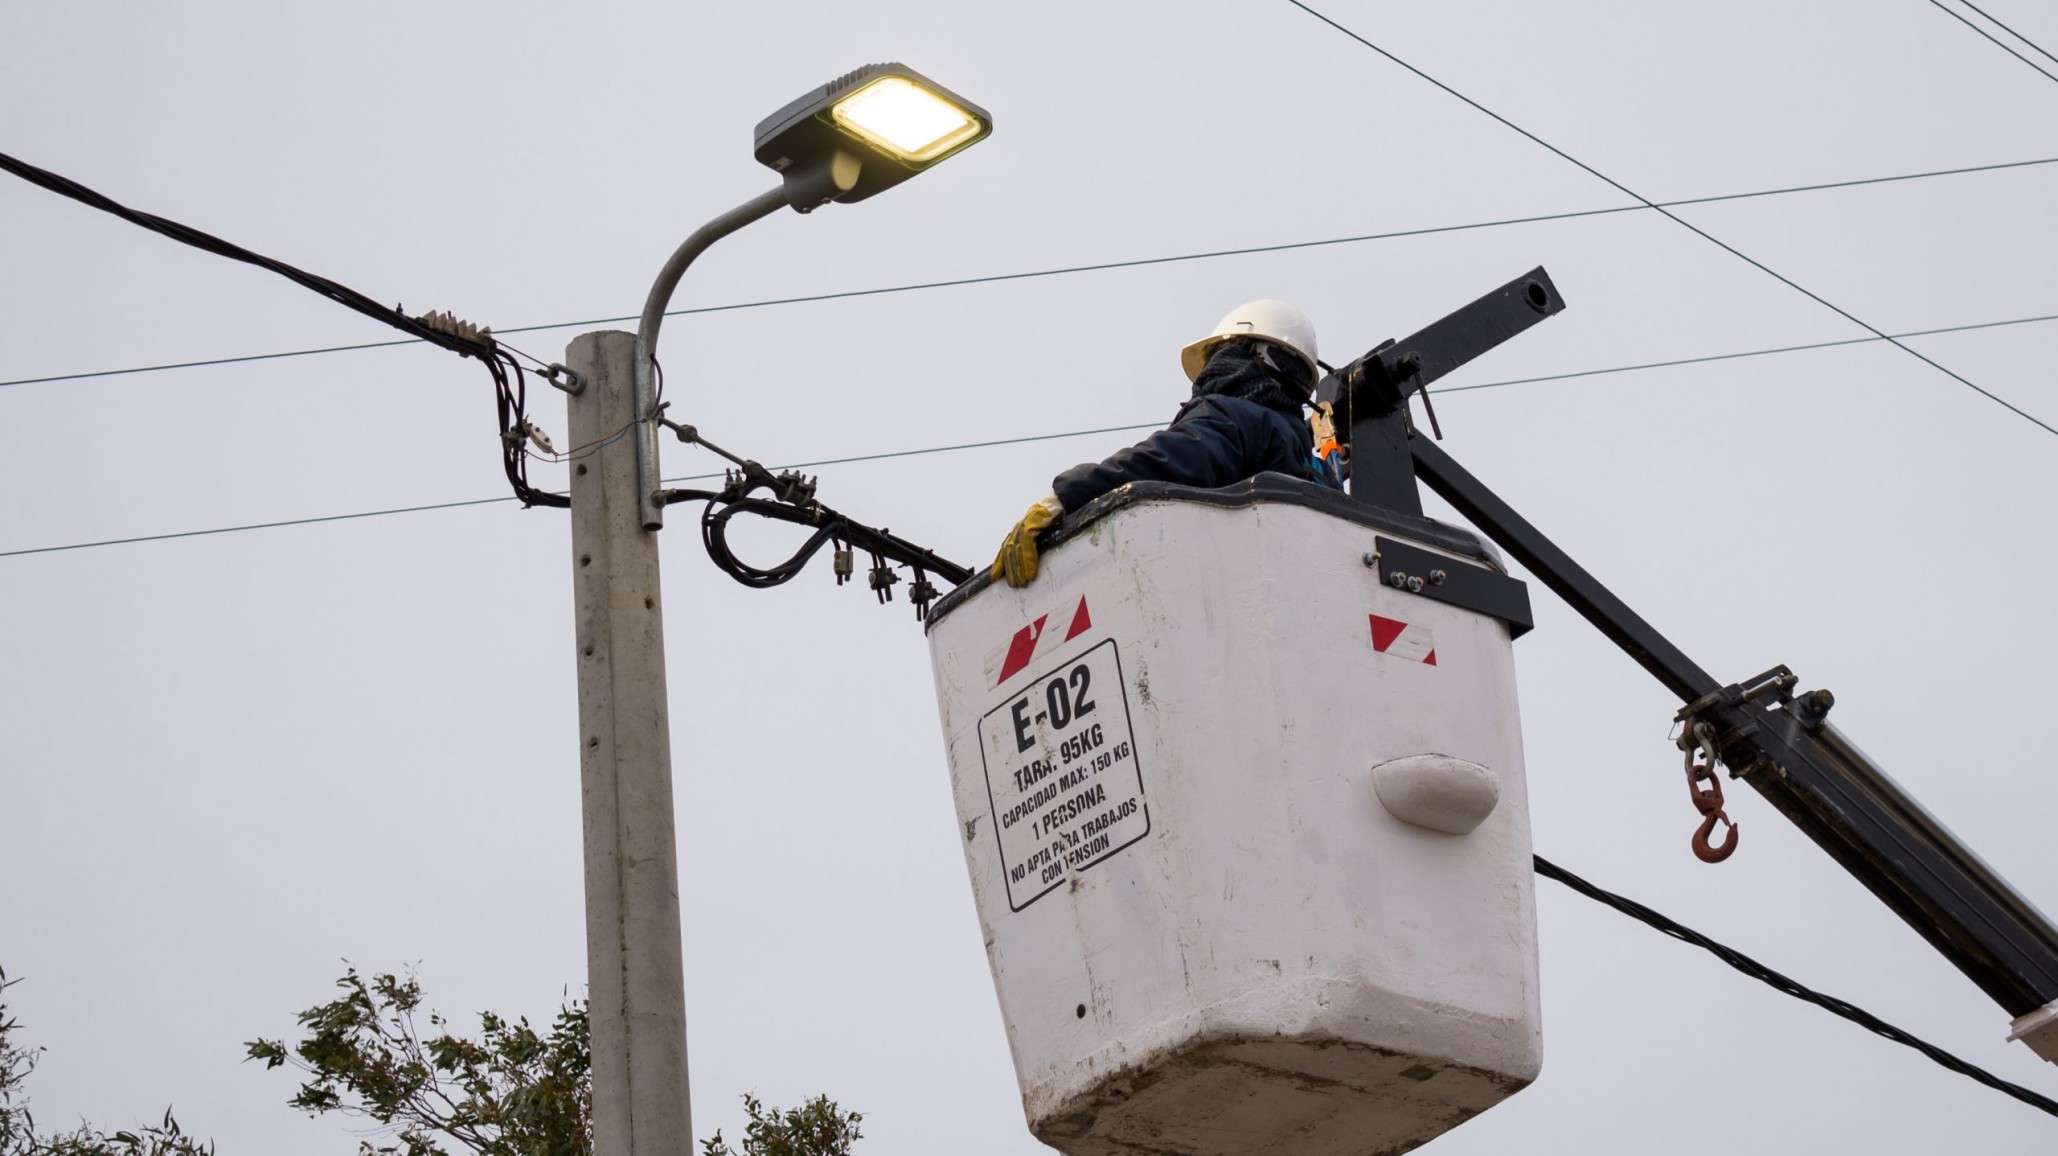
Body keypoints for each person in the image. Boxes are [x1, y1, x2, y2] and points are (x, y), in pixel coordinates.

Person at [990, 299, 1334, 588]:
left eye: (1224, 354)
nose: (1214, 368)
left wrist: (1064, 497)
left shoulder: (1235, 417)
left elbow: (1170, 459)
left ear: (1258, 357)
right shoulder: (1317, 470)